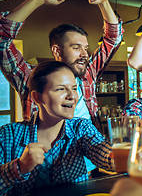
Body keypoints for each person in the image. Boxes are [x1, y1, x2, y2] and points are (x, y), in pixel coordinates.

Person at [0, 0, 123, 132]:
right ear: (57, 51)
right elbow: (2, 40)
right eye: (76, 47)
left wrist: (104, 3)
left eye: (85, 48)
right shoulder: (31, 77)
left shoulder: (87, 74)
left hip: (90, 152)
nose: (84, 54)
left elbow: (113, 39)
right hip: (45, 153)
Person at [0, 61, 114, 196]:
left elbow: (102, 150)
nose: (72, 96)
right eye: (60, 89)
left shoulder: (81, 128)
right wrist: (19, 167)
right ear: (37, 97)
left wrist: (120, 156)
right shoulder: (8, 135)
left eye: (74, 88)